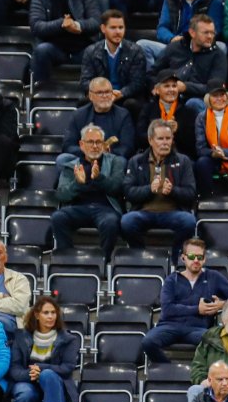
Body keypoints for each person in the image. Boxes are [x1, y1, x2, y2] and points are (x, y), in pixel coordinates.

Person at [143, 237, 228, 363]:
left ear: (204, 259)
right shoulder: (172, 280)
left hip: (198, 328)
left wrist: (223, 305)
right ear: (183, 258)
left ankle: (203, 374)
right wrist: (197, 309)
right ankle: (168, 369)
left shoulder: (213, 277)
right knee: (148, 342)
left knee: (219, 342)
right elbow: (167, 309)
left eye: (199, 257)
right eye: (191, 256)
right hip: (169, 326)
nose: (196, 260)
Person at [120, 119, 198, 258]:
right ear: (151, 140)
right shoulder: (136, 161)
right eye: (160, 138)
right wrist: (149, 189)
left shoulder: (183, 161)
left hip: (173, 212)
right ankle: (140, 255)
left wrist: (173, 191)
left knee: (189, 221)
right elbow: (128, 192)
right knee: (127, 221)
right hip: (144, 212)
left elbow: (191, 193)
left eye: (168, 138)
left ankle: (176, 258)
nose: (165, 142)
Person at [52, 124, 125, 260]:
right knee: (58, 217)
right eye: (90, 142)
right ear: (81, 144)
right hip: (79, 208)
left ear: (104, 145)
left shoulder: (116, 161)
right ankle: (67, 260)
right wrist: (77, 183)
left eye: (98, 142)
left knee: (110, 222)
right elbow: (61, 194)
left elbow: (117, 187)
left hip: (106, 209)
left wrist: (99, 178)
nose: (95, 146)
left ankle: (103, 261)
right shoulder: (71, 166)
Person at [9, 296, 79, 402]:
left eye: (53, 312)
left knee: (47, 374)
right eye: (46, 313)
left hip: (56, 383)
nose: (51, 316)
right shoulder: (21, 337)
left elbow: (67, 367)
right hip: (27, 380)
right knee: (25, 394)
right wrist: (32, 374)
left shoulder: (68, 339)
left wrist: (41, 369)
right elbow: (14, 368)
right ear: (36, 315)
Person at [139, 0, 224, 67]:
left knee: (222, 47)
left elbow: (216, 29)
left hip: (201, 48)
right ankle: (153, 81)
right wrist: (172, 38)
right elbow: (162, 28)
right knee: (142, 45)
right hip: (176, 47)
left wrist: (195, 41)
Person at [29, 0, 102, 83]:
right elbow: (36, 26)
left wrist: (77, 25)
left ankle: (95, 93)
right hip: (55, 48)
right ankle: (41, 93)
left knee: (100, 50)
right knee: (42, 50)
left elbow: (96, 21)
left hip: (82, 48)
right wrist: (61, 24)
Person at [79, 10, 150, 120]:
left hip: (125, 96)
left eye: (121, 27)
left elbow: (138, 83)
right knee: (83, 103)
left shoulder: (135, 51)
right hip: (100, 94)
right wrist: (102, 92)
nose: (118, 31)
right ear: (103, 29)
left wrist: (121, 93)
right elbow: (85, 81)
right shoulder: (91, 51)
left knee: (132, 104)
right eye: (113, 28)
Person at [154, 13, 227, 111]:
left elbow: (215, 88)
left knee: (193, 103)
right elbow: (153, 72)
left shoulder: (218, 55)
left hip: (199, 99)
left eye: (212, 33)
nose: (210, 36)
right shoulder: (175, 47)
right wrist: (156, 86)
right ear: (192, 33)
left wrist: (186, 87)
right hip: (171, 96)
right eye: (206, 32)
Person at [60, 77, 135, 165]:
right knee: (62, 159)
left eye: (108, 92)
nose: (105, 96)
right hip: (84, 159)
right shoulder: (78, 115)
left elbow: (128, 147)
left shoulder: (123, 115)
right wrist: (88, 151)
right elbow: (68, 146)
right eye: (100, 93)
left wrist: (107, 152)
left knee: (121, 161)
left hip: (110, 159)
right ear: (90, 96)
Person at [136, 69, 200, 158]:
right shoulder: (148, 109)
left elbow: (193, 144)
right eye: (166, 86)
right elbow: (140, 137)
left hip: (180, 157)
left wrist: (178, 130)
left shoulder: (188, 111)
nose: (171, 90)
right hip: (152, 156)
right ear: (157, 90)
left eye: (174, 86)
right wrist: (158, 134)